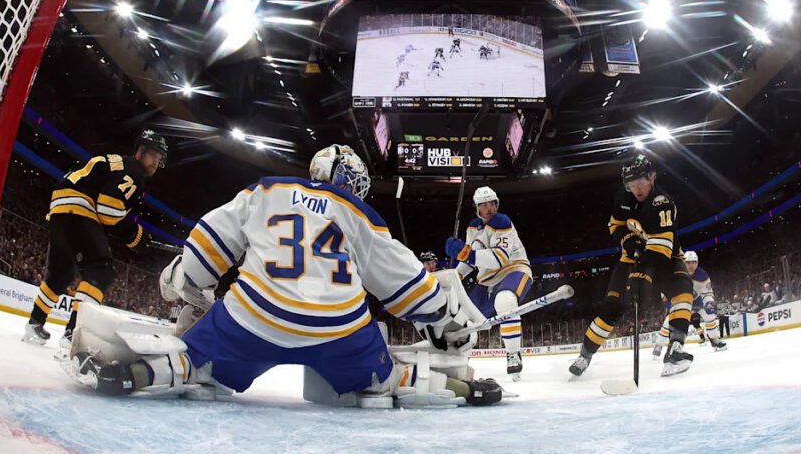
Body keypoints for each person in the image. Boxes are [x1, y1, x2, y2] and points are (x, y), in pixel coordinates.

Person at [65, 144, 503, 408]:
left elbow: (208, 245)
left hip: (255, 315)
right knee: (385, 380)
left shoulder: (266, 189)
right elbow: (405, 285)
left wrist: (183, 277)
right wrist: (442, 317)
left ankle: (141, 373)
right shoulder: (358, 212)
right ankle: (464, 389)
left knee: (196, 362)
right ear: (341, 177)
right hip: (340, 329)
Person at [22, 131, 168, 349]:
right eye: (153, 155)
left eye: (159, 158)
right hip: (79, 208)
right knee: (101, 271)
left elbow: (104, 213)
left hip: (61, 208)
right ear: (140, 151)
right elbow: (108, 210)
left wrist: (122, 233)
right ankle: (74, 335)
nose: (156, 162)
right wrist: (134, 234)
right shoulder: (134, 170)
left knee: (60, 274)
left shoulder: (117, 163)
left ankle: (34, 324)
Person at [569, 153, 695, 378]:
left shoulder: (662, 203)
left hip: (666, 257)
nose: (636, 189)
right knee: (612, 308)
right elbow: (615, 225)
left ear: (652, 177)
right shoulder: (623, 197)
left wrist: (642, 276)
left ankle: (676, 349)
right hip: (630, 260)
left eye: (640, 183)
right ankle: (584, 356)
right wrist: (628, 240)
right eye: (631, 184)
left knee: (683, 292)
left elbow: (660, 249)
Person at [445, 186, 531, 381]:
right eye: (484, 205)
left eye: (492, 203)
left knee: (505, 300)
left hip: (513, 269)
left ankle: (513, 354)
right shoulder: (473, 227)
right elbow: (470, 260)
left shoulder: (502, 222)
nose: (489, 208)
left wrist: (466, 254)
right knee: (463, 319)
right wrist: (456, 275)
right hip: (486, 280)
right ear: (477, 208)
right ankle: (457, 363)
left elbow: (499, 259)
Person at [653, 251, 726, 356]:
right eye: (688, 262)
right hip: (681, 302)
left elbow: (707, 292)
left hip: (697, 302)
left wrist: (708, 302)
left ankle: (714, 339)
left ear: (697, 263)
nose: (691, 265)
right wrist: (670, 303)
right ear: (683, 262)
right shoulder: (675, 274)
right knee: (668, 321)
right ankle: (659, 345)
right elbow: (664, 291)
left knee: (710, 316)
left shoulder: (702, 276)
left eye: (694, 262)